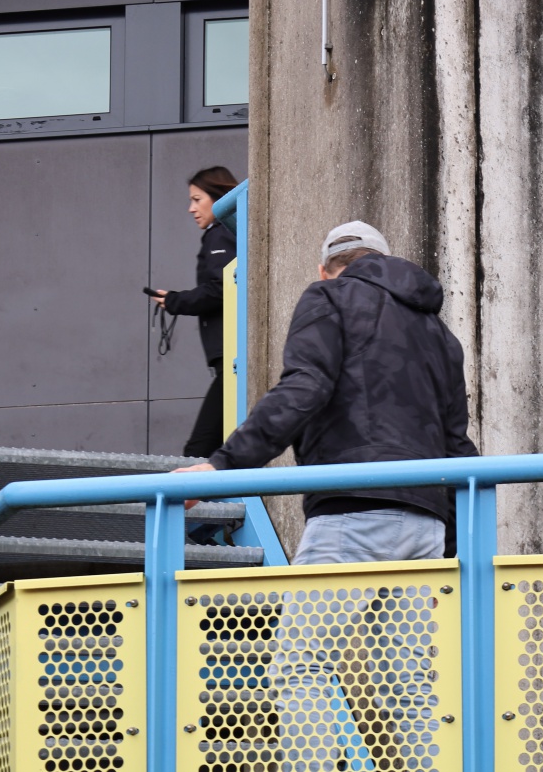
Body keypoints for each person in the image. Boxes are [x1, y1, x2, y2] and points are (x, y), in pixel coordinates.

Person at [174, 221, 477, 772]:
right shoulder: (439, 335)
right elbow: (457, 445)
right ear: (385, 264)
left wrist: (222, 465)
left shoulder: (329, 298)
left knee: (301, 667)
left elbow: (304, 388)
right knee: (407, 685)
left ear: (325, 268)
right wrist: (452, 547)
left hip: (352, 509)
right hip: (426, 523)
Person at [151, 165, 240, 458]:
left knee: (198, 450)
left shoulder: (221, 234)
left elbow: (220, 288)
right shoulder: (230, 233)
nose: (191, 209)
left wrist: (176, 301)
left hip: (233, 361)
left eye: (197, 199)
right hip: (232, 360)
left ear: (219, 198)